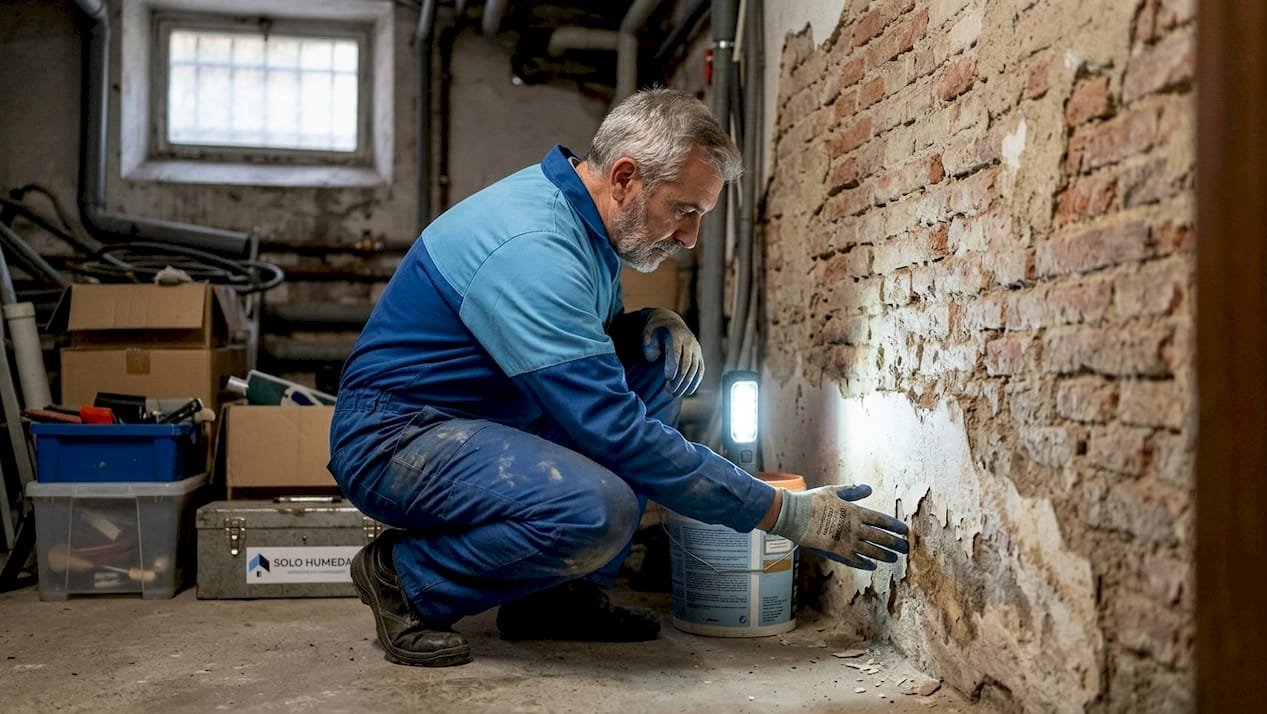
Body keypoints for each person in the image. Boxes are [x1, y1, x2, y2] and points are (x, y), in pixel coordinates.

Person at [328, 88, 910, 667]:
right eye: (685, 210)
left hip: (488, 415)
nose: (689, 238)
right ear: (626, 177)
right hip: (396, 438)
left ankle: (556, 598)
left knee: (653, 365)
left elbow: (572, 354)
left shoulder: (584, 225)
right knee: (596, 510)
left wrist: (641, 327)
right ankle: (406, 579)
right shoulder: (534, 246)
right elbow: (617, 432)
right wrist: (787, 515)